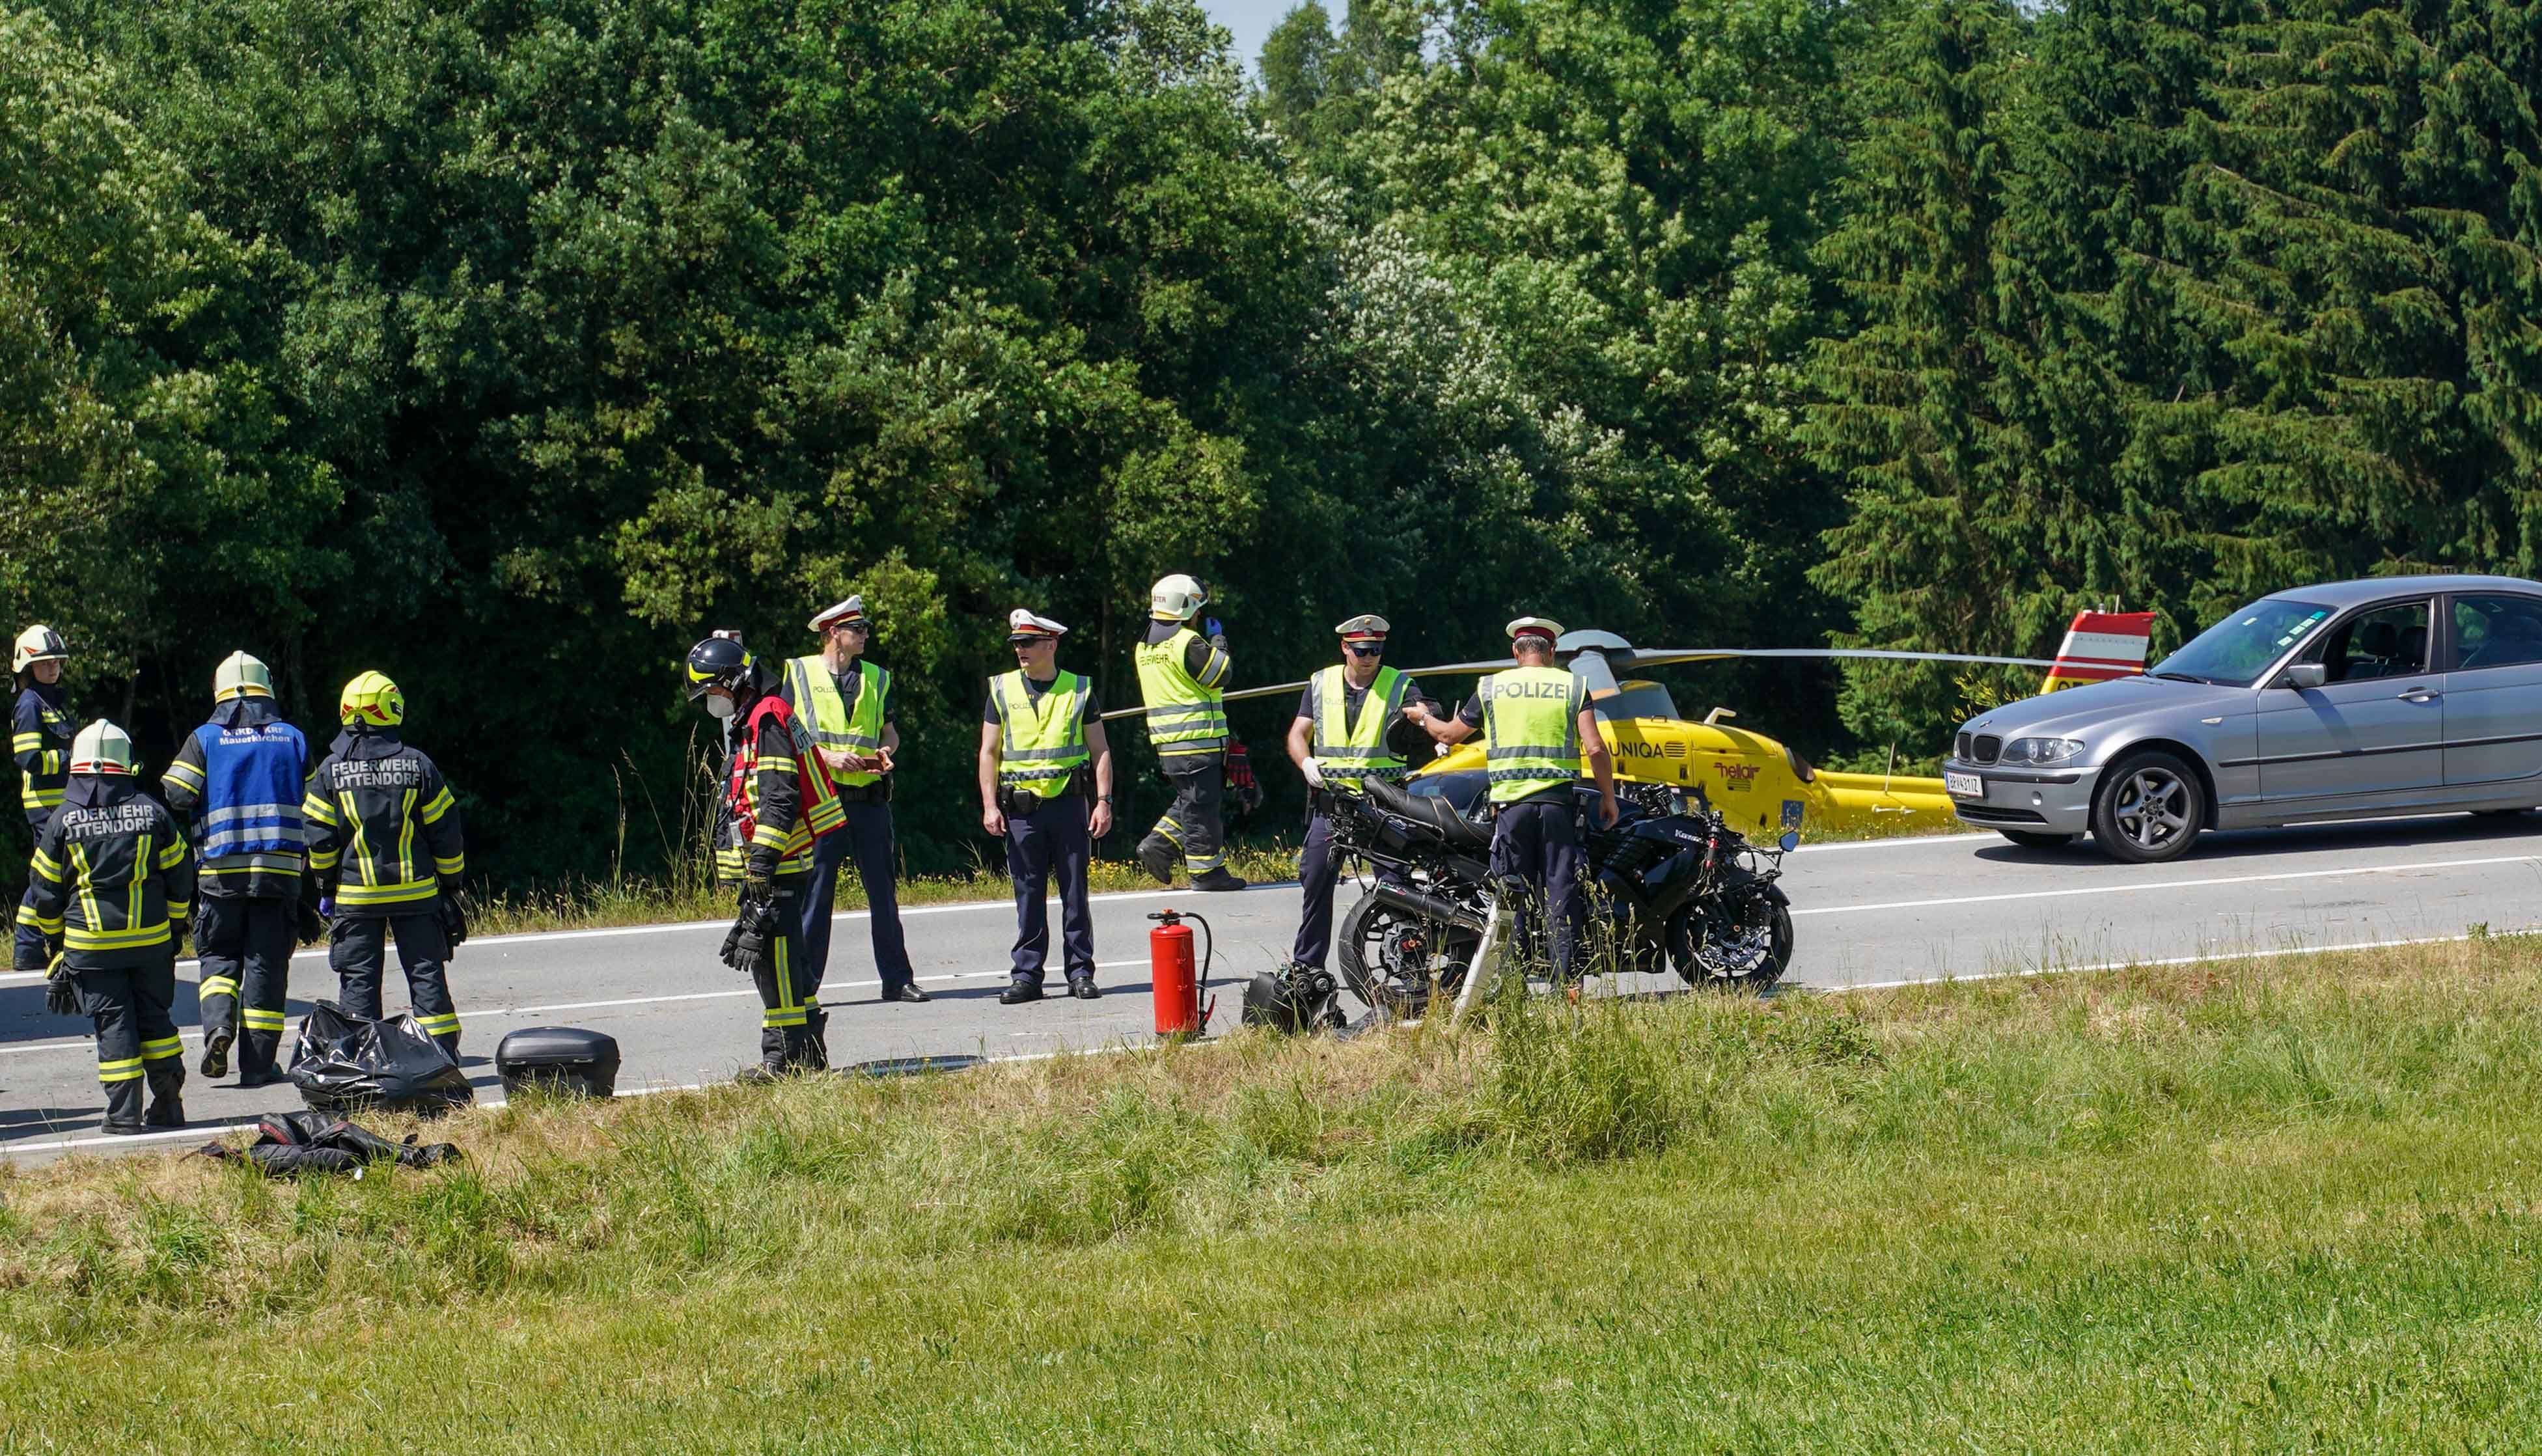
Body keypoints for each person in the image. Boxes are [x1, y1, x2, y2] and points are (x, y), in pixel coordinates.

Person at [1409, 617, 1616, 982]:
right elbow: (1596, 747)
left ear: (1515, 652)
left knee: (1511, 896)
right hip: (1557, 807)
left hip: (1511, 809)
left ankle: (1515, 981)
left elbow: (1449, 734)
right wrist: (1608, 797)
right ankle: (1566, 985)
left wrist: (1423, 717)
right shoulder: (1573, 685)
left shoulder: (1491, 688)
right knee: (1560, 892)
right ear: (1551, 652)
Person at [688, 633, 847, 1078]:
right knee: (787, 963)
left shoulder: (767, 719)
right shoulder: (758, 716)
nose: (709, 702)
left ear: (731, 681)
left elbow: (780, 798)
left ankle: (784, 1061)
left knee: (772, 963)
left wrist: (761, 862)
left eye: (711, 691)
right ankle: (811, 1054)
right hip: (777, 864)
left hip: (776, 866)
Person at [24, 721, 193, 1134]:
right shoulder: (153, 812)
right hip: (151, 943)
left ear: (78, 768)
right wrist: (173, 927)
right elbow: (181, 875)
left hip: (92, 947)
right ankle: (169, 1105)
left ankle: (123, 1116)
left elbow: (44, 890)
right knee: (155, 1019)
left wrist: (55, 942)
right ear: (125, 764)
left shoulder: (62, 820)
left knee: (114, 1024)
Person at [162, 652, 311, 1086]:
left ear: (219, 691)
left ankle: (218, 1029)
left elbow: (176, 792)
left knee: (219, 956)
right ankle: (259, 1066)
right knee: (265, 964)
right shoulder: (292, 738)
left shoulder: (205, 738)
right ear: (267, 689)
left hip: (220, 874)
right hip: (278, 873)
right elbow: (318, 801)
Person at [301, 672, 469, 1056]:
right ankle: (439, 1057)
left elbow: (320, 839)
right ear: (391, 709)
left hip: (357, 897)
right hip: (417, 894)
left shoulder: (330, 770)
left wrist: (327, 887)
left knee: (358, 982)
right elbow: (446, 832)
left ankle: (364, 1064)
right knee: (426, 976)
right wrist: (451, 883)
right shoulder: (418, 765)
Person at [779, 596, 922, 1003]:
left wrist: (886, 752)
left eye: (864, 629)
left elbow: (888, 731)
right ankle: (806, 985)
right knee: (818, 893)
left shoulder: (877, 677)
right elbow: (787, 736)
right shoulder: (799, 673)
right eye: (856, 630)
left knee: (883, 892)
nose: (864, 636)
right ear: (832, 634)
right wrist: (826, 757)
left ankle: (897, 979)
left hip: (870, 798)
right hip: (823, 799)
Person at [1282, 614, 1432, 978]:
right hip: (1333, 804)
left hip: (1384, 804)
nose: (1370, 657)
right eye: (1363, 650)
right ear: (1345, 648)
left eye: (1377, 650)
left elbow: (1421, 709)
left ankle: (1408, 966)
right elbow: (1297, 735)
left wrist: (1426, 719)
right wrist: (1305, 764)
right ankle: (1307, 968)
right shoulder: (1321, 684)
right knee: (1316, 879)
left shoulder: (1399, 684)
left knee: (1396, 885)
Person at [978, 609, 1115, 1004]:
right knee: (1028, 894)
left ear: (1050, 645)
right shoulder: (1001, 689)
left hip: (1069, 804)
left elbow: (1100, 750)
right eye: (1017, 644)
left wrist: (1102, 802)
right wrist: (990, 805)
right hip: (1021, 810)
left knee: (1075, 894)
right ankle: (1027, 976)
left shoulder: (1079, 689)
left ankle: (1080, 973)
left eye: (1028, 643)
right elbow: (988, 751)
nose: (1020, 650)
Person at [1133, 573, 1246, 891]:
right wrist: (1219, 643)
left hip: (1170, 743)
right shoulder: (1187, 642)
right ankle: (1206, 872)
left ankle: (1158, 845)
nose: (1199, 616)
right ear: (1184, 609)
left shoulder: (1145, 647)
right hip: (1197, 741)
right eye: (1197, 610)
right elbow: (1221, 674)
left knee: (1191, 800)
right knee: (1203, 808)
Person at [10, 625, 72, 972]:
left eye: (57, 661)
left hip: (60, 804)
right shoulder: (30, 705)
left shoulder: (52, 703)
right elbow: (29, 759)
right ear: (27, 667)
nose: (53, 667)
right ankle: (30, 944)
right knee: (47, 875)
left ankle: (30, 947)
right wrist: (71, 759)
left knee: (49, 874)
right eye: (45, 662)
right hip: (44, 806)